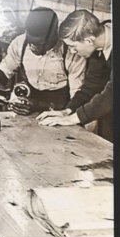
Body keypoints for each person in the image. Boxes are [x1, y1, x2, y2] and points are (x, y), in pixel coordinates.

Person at [0, 7, 84, 114]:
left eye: (40, 44)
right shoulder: (20, 43)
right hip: (29, 104)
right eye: (30, 42)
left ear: (54, 35)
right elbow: (2, 71)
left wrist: (44, 107)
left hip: (60, 109)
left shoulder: (71, 51)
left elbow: (77, 98)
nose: (33, 48)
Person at [39, 10, 113, 141]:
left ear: (89, 40)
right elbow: (91, 86)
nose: (72, 52)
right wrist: (68, 110)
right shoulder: (97, 46)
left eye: (73, 46)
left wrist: (73, 119)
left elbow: (112, 94)